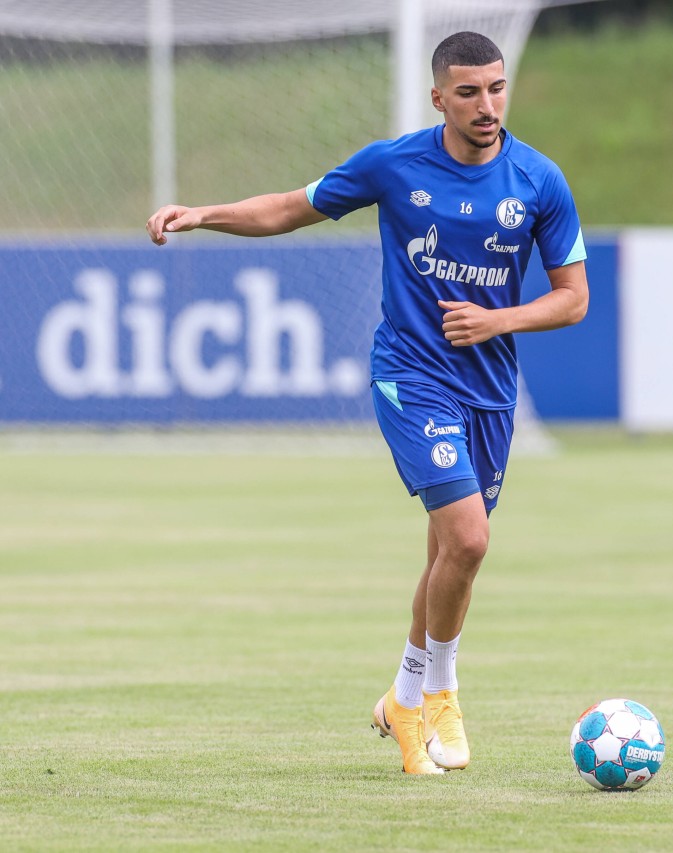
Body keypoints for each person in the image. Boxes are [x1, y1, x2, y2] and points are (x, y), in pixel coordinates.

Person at [145, 31, 589, 776]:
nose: (488, 105)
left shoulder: (539, 181)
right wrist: (204, 213)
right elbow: (289, 208)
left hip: (489, 388)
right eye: (471, 92)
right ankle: (442, 690)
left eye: (497, 88)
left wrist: (498, 320)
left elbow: (573, 299)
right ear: (439, 97)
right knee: (471, 541)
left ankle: (402, 699)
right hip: (412, 374)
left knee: (451, 552)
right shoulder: (394, 164)